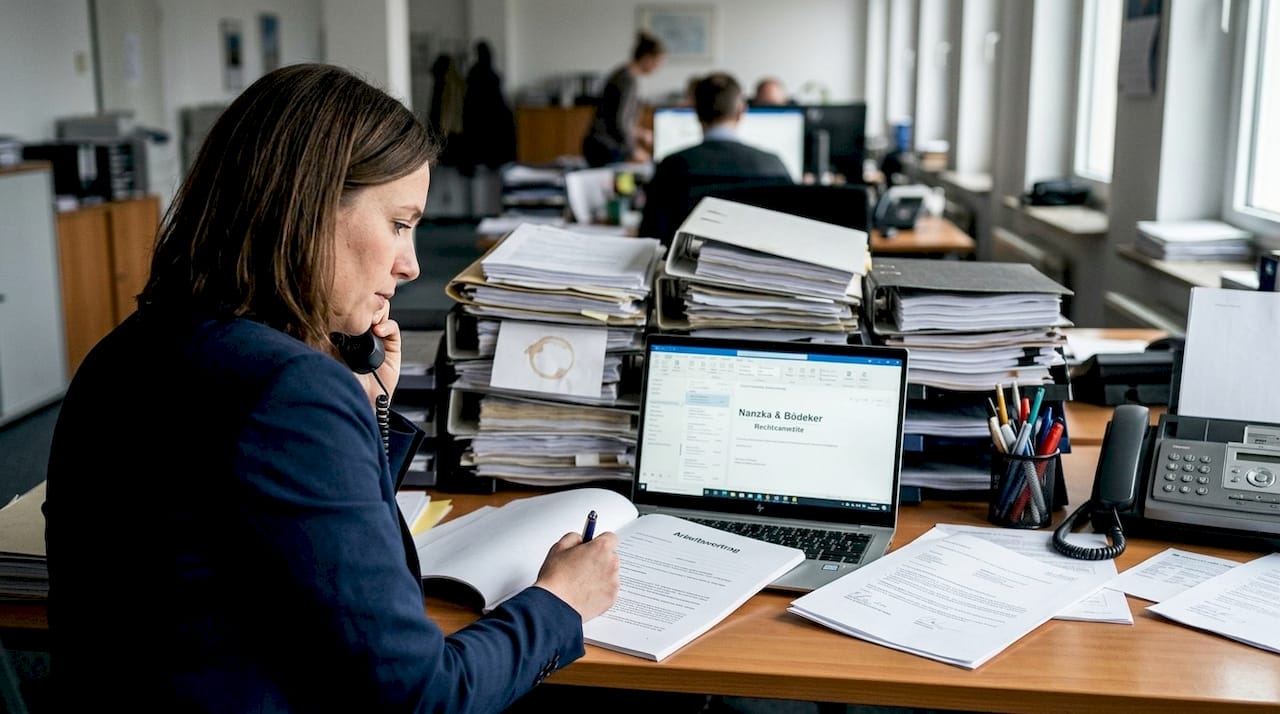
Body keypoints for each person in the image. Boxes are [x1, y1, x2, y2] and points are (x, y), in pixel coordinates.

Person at [43, 63, 620, 712]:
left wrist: (368, 406)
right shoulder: (288, 389)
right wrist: (561, 602)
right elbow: (426, 697)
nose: (412, 264)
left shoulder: (126, 350)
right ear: (311, 208)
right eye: (401, 224)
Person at [638, 71, 794, 244]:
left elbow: (648, 237)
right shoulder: (774, 166)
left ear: (696, 112)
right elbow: (791, 236)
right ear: (741, 111)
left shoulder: (671, 167)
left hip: (680, 269)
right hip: (759, 269)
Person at [582, 31, 666, 167]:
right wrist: (633, 150)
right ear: (646, 58)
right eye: (657, 63)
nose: (658, 68)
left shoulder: (622, 74)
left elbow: (616, 117)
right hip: (606, 148)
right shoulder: (627, 80)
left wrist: (640, 133)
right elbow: (620, 122)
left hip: (598, 145)